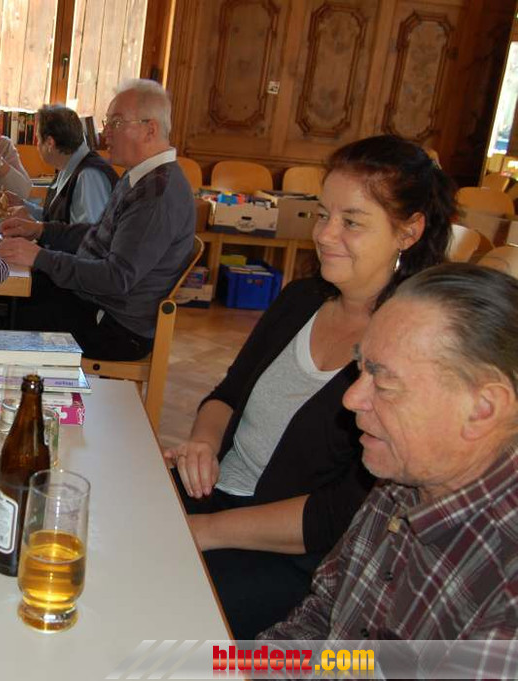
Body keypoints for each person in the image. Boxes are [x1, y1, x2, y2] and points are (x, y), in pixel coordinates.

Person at [165, 135, 453, 639]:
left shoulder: (407, 351)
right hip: (214, 499)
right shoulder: (300, 299)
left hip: (288, 557)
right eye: (323, 214)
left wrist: (203, 532)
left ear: (408, 232)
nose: (324, 234)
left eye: (351, 222)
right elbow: (228, 393)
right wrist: (204, 444)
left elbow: (336, 514)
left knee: (158, 613)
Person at [260, 264, 518, 655]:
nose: (351, 399)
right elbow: (321, 618)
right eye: (360, 369)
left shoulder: (507, 593)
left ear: (482, 409)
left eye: (383, 382)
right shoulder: (400, 475)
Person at [0, 79, 194, 361]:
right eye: (107, 122)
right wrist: (41, 230)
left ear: (150, 129)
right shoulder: (140, 176)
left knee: (8, 309)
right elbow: (98, 234)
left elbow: (116, 278)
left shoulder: (157, 194)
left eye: (116, 122)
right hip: (95, 303)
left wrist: (40, 257)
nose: (105, 133)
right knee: (4, 294)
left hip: (115, 328)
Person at [0, 104, 117, 224]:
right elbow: (54, 219)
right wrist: (22, 205)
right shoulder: (68, 166)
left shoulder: (89, 176)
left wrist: (34, 226)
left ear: (50, 143)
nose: (38, 146)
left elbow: (86, 233)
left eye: (38, 139)